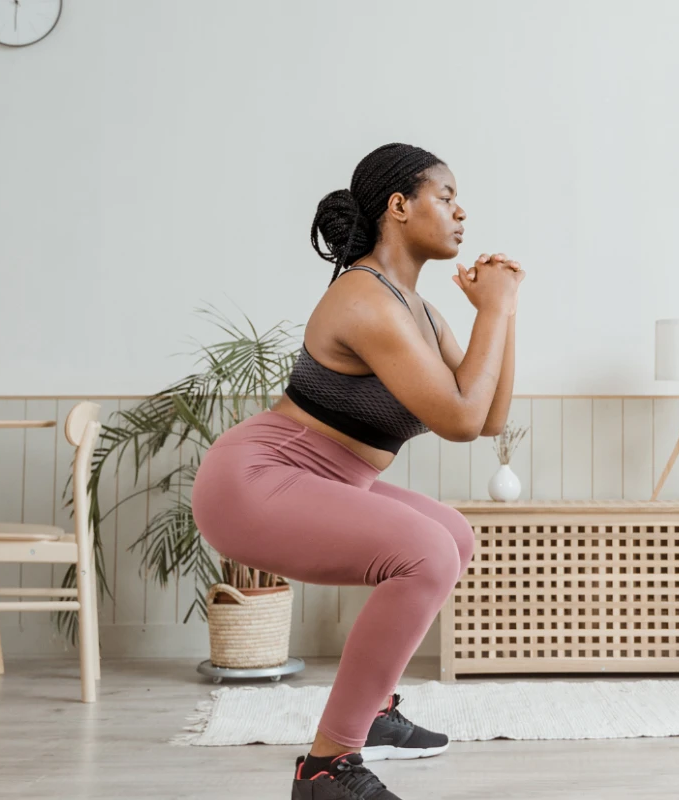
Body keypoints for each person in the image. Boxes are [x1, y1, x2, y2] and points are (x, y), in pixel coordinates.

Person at [191, 142, 523, 800]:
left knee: (453, 537)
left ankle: (373, 712)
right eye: (447, 196)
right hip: (255, 480)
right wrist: (493, 310)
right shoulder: (364, 299)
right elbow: (458, 419)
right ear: (399, 207)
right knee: (426, 553)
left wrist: (503, 313)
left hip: (326, 480)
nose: (463, 211)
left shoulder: (420, 311)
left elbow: (485, 420)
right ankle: (326, 767)